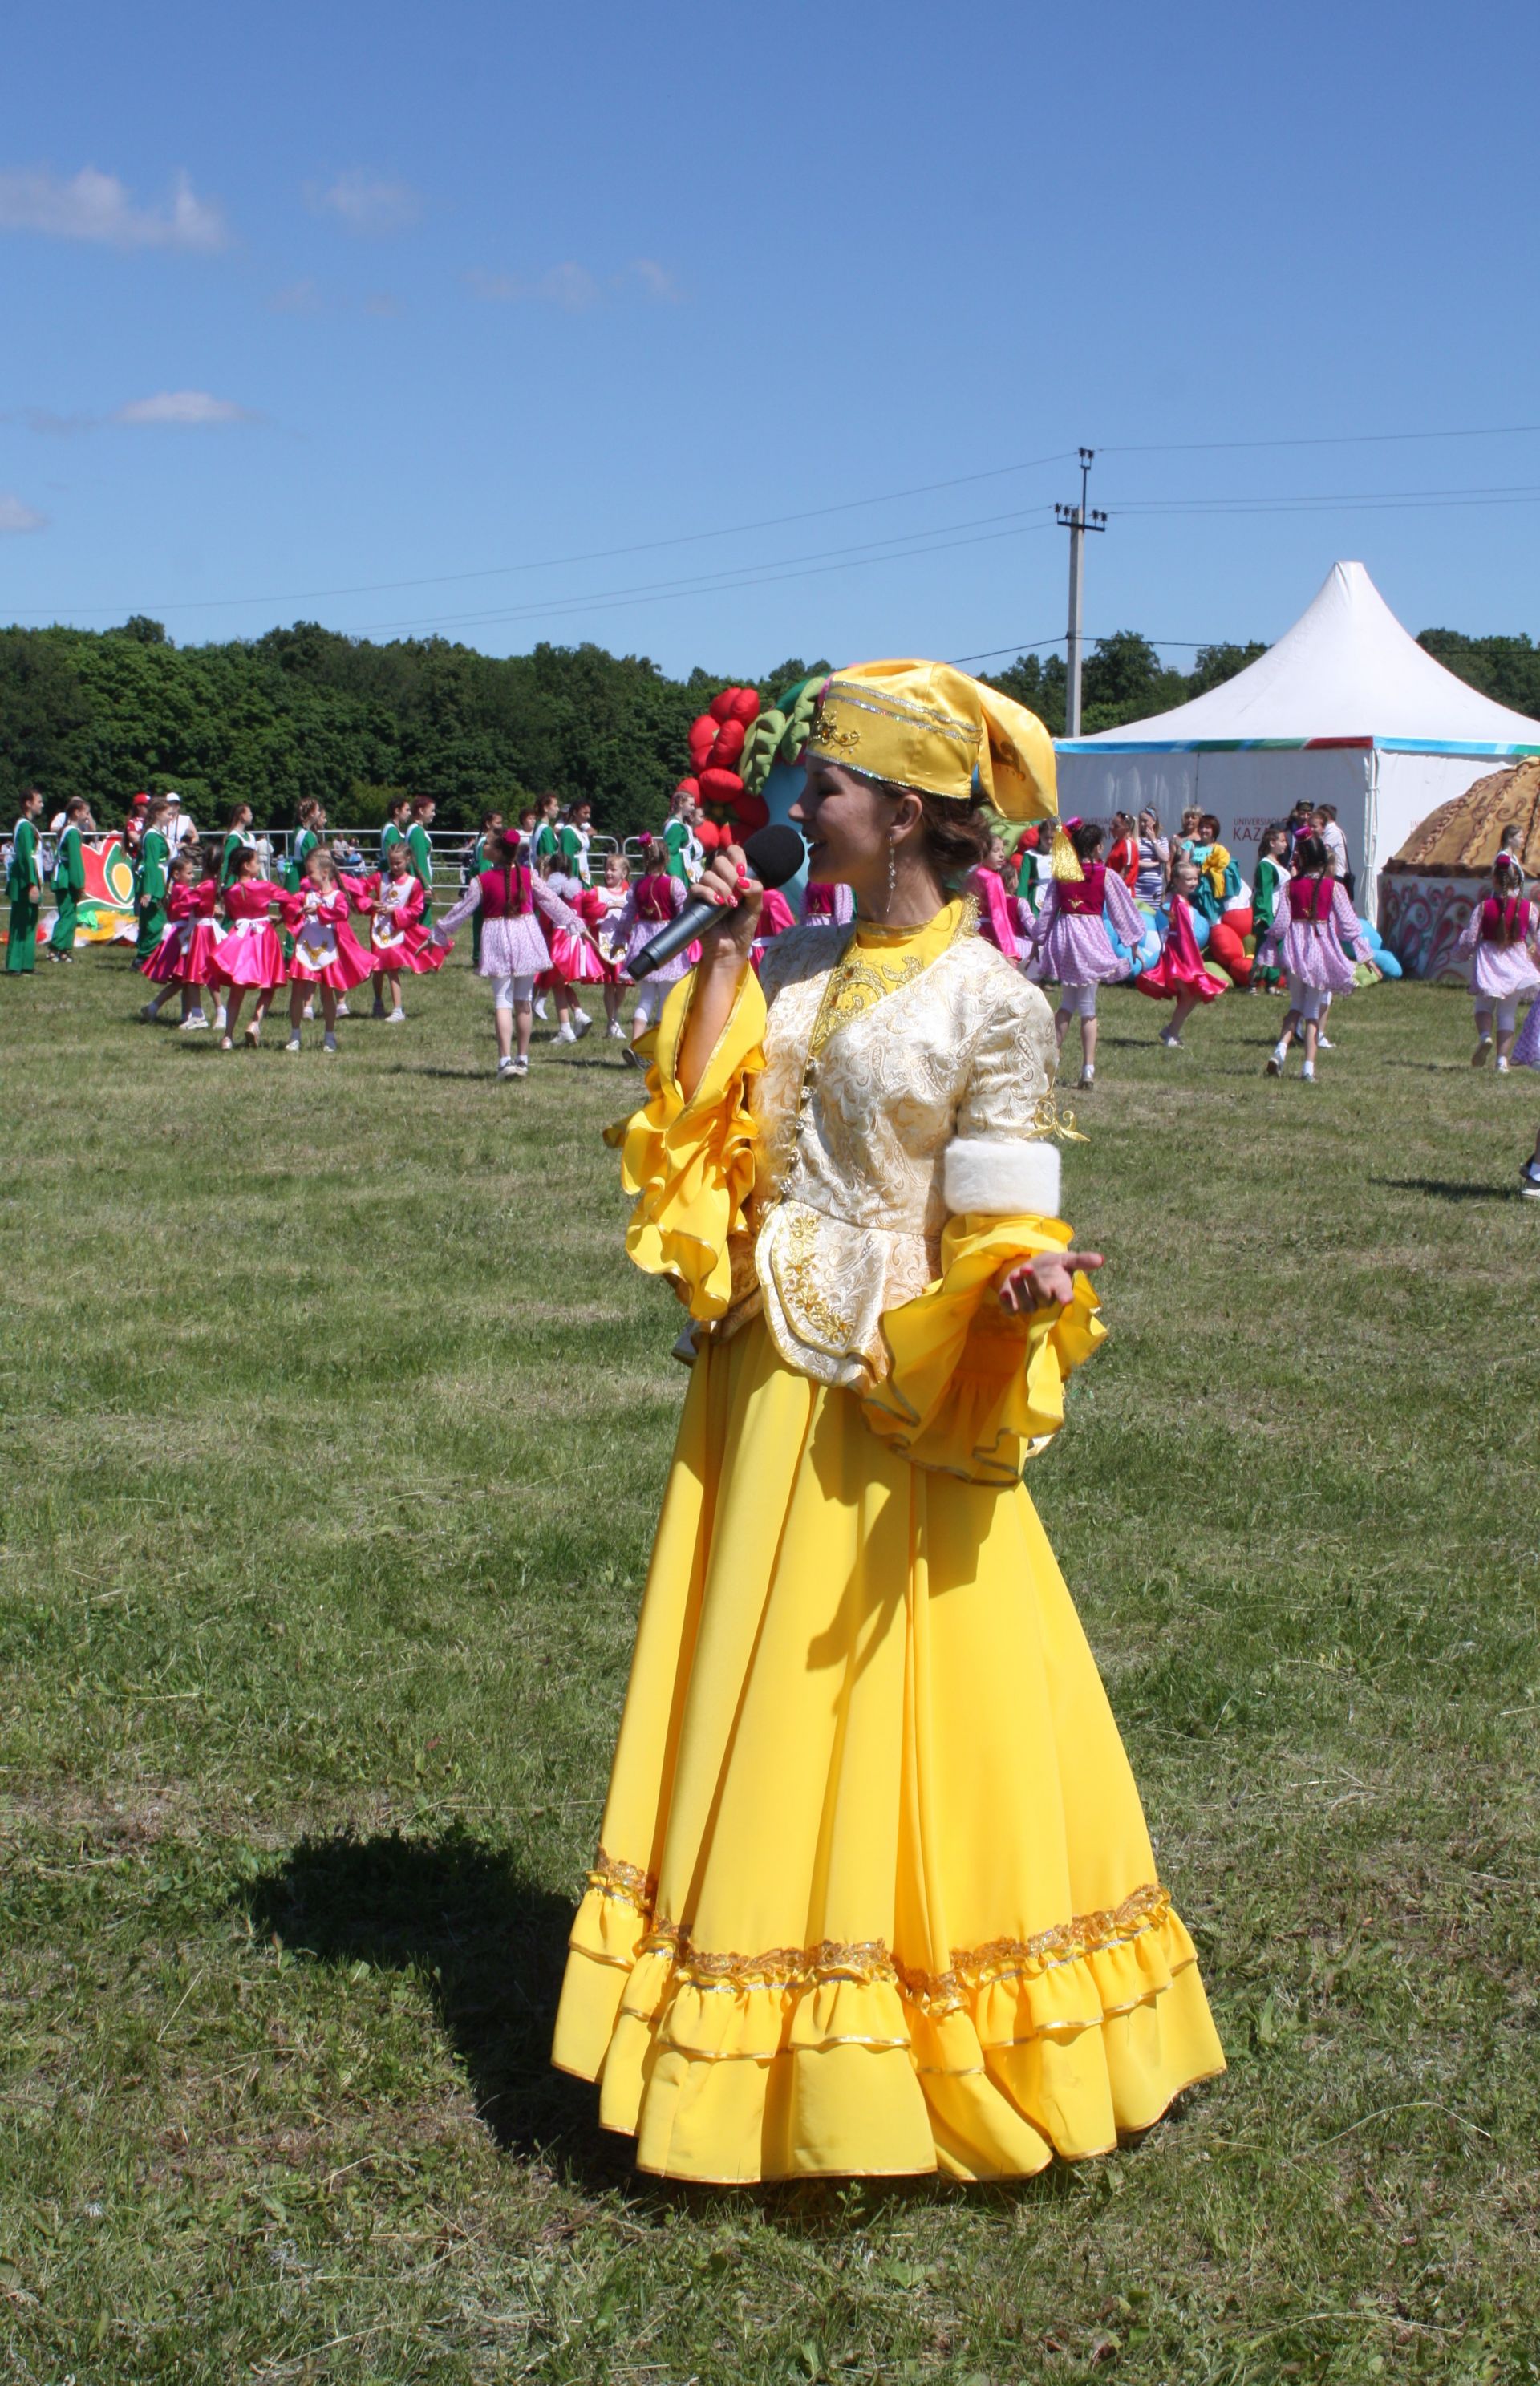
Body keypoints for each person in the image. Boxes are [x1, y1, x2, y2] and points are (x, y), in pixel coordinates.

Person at [551, 657, 1223, 2184]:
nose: (804, 811)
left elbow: (996, 1211)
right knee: (750, 1676)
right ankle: (736, 1974)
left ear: (907, 812)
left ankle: (906, 2022)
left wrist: (1020, 1287)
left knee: (882, 1693)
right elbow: (709, 1127)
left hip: (892, 1383)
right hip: (761, 1376)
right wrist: (722, 959)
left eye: (829, 790)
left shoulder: (994, 1002)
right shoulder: (792, 964)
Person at [430, 828, 590, 1078]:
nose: (483, 846)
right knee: (523, 999)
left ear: (497, 851)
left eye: (487, 844)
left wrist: (439, 932)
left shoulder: (481, 881)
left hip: (497, 938)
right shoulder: (529, 876)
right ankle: (522, 1059)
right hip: (525, 934)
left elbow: (461, 910)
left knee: (502, 1001)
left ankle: (505, 1061)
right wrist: (575, 923)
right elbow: (551, 902)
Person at [1021, 817, 1145, 1090]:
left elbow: (1048, 913)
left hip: (1065, 939)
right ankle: (1088, 1069)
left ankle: (1047, 1063)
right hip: (1090, 938)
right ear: (1099, 847)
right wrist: (1134, 942)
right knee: (1088, 1009)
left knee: (1066, 1005)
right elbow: (1121, 910)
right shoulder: (1105, 875)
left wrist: (1037, 942)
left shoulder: (1061, 875)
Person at [1256, 832, 1374, 1081]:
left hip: (1295, 952)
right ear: (1323, 858)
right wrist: (1365, 955)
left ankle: (1280, 1051)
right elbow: (1350, 925)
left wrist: (1265, 955)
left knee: (1295, 1006)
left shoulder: (1290, 887)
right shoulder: (1334, 888)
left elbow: (1279, 927)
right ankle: (1308, 1068)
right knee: (1312, 1012)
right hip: (1319, 953)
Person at [282, 849, 372, 1054]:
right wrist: (293, 909)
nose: (307, 877)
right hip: (305, 949)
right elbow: (289, 905)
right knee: (297, 993)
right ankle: (295, 1035)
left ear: (324, 873)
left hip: (327, 951)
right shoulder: (306, 895)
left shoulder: (337, 896)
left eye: (310, 872)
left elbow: (342, 912)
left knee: (327, 994)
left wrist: (320, 910)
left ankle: (329, 1036)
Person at [1457, 853, 1540, 1073]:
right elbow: (1538, 937)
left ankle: (1485, 1036)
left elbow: (1470, 938)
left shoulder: (1485, 907)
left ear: (1494, 880)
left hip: (1489, 964)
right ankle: (1502, 1061)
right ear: (1518, 882)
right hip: (1517, 965)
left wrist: (1461, 953)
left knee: (1483, 1006)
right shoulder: (1529, 909)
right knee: (1507, 1014)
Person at [1133, 856, 1225, 1047]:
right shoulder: (1179, 904)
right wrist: (1193, 963)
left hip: (1182, 955)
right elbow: (1184, 936)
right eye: (1188, 879)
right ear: (1176, 881)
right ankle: (1172, 1035)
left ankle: (1171, 1029)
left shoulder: (1180, 901)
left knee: (1194, 994)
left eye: (1195, 879)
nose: (1193, 882)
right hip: (1180, 958)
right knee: (1190, 994)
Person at [209, 848, 287, 1047]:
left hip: (241, 938)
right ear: (247, 865)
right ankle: (255, 1022)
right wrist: (285, 915)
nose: (259, 865)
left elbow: (238, 914)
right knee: (269, 984)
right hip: (262, 937)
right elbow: (288, 900)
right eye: (257, 862)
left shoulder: (230, 892)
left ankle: (227, 1036)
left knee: (238, 988)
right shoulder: (264, 886)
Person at [367, 838, 449, 1021]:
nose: (395, 867)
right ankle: (378, 1002)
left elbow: (416, 909)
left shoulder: (413, 884)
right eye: (392, 863)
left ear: (408, 860)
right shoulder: (381, 878)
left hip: (397, 929)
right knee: (377, 968)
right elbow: (362, 890)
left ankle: (397, 1010)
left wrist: (395, 912)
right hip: (378, 928)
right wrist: (371, 903)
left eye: (399, 863)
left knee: (393, 968)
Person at [139, 850, 221, 1028]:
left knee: (185, 981)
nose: (192, 877)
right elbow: (187, 906)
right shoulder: (181, 890)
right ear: (177, 874)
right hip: (182, 939)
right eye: (189, 873)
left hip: (183, 936)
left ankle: (186, 1015)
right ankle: (154, 1007)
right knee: (183, 980)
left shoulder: (180, 889)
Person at [1189, 813, 1252, 986]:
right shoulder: (1192, 847)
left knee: (1214, 928)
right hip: (1194, 892)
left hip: (1213, 895)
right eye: (1201, 827)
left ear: (1214, 830)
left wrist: (1209, 872)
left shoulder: (1220, 850)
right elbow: (1184, 866)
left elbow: (1227, 871)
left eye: (1207, 827)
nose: (1203, 830)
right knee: (1195, 926)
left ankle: (1214, 963)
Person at [47, 797, 94, 962]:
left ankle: (64, 950)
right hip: (66, 878)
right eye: (86, 813)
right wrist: (79, 884)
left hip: (64, 876)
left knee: (70, 914)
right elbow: (75, 860)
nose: (88, 816)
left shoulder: (68, 830)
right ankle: (56, 948)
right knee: (67, 914)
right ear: (76, 812)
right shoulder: (72, 833)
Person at [6, 788, 45, 974]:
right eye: (39, 801)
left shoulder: (29, 827)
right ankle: (15, 964)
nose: (42, 805)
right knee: (20, 923)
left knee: (30, 922)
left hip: (31, 879)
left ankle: (27, 963)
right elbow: (25, 857)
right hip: (24, 883)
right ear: (28, 803)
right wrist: (31, 884)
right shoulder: (23, 827)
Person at [1250, 824, 1291, 995]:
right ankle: (1253, 983)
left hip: (1281, 913)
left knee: (1278, 949)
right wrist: (1262, 914)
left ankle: (1271, 983)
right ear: (1272, 843)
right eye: (1282, 841)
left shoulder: (1279, 865)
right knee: (1263, 948)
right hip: (1270, 913)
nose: (1285, 845)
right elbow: (1264, 892)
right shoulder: (1266, 865)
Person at [464, 810, 503, 971]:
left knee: (481, 923)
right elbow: (485, 868)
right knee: (484, 924)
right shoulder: (485, 843)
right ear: (488, 824)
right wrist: (489, 888)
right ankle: (481, 957)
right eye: (498, 823)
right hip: (484, 889)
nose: (501, 826)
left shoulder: (482, 841)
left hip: (480, 887)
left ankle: (480, 956)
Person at [662, 786, 702, 885]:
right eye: (691, 805)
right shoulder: (675, 826)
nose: (693, 808)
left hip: (683, 866)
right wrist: (675, 876)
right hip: (678, 869)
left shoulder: (680, 824)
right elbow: (671, 852)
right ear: (681, 803)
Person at [1311, 804, 1352, 897]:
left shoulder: (1333, 832)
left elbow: (1320, 851)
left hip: (1335, 875)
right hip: (1329, 875)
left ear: (1327, 816)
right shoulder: (1328, 832)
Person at [1132, 807, 1169, 906]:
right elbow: (1135, 861)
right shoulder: (1136, 840)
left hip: (1154, 888)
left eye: (1145, 821)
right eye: (1141, 821)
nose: (1142, 824)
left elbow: (1165, 858)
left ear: (1154, 821)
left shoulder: (1162, 840)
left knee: (1153, 914)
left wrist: (1153, 840)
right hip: (1138, 886)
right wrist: (1156, 863)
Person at [218, 802, 258, 889]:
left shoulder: (251, 837)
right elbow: (227, 862)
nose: (252, 816)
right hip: (240, 883)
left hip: (253, 881)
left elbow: (256, 861)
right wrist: (227, 885)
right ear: (242, 816)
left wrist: (262, 880)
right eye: (250, 814)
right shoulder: (234, 838)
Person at [559, 797, 594, 885]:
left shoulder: (581, 830)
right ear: (575, 813)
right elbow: (567, 858)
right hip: (574, 872)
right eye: (585, 813)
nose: (588, 816)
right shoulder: (568, 832)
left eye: (589, 813)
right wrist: (570, 879)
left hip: (584, 870)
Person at [379, 794, 412, 873]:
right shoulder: (392, 831)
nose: (410, 813)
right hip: (391, 875)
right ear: (397, 811)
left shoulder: (393, 829)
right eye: (407, 810)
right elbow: (393, 857)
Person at [531, 791, 562, 870]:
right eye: (555, 806)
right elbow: (549, 856)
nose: (558, 809)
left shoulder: (538, 825)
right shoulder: (546, 830)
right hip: (546, 873)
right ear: (546, 808)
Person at [1107, 811, 1139, 888]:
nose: (1112, 828)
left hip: (1123, 890)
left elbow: (1125, 872)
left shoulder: (1129, 844)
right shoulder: (1116, 844)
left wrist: (1112, 887)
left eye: (1116, 826)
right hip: (1115, 889)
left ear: (1126, 829)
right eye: (1112, 824)